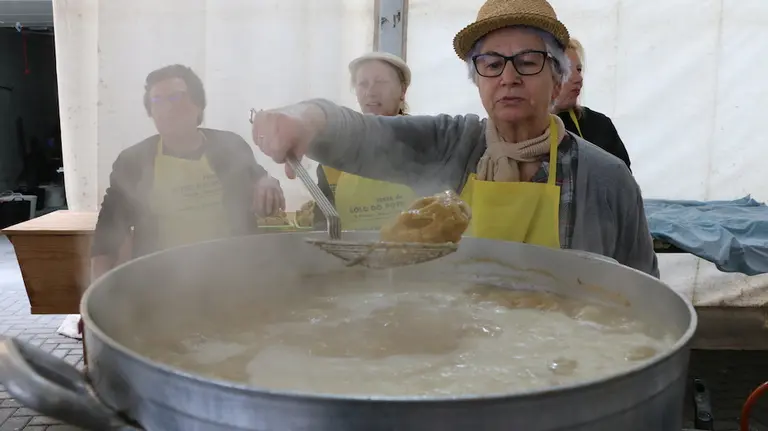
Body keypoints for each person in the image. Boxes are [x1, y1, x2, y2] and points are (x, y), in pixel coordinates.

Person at [250, 0, 658, 277]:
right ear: (477, 80)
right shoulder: (453, 144)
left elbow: (642, 296)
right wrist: (304, 119)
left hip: (560, 375)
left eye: (529, 62)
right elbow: (362, 136)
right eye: (492, 64)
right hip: (457, 357)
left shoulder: (606, 180)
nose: (509, 77)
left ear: (558, 79)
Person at [91, 64, 285, 280]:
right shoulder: (134, 161)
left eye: (176, 98)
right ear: (150, 112)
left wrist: (266, 181)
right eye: (157, 101)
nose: (166, 109)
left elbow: (256, 177)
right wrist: (97, 290)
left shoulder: (230, 146)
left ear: (198, 106)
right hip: (162, 279)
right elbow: (108, 232)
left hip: (235, 273)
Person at [314, 52, 417, 229]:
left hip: (418, 254)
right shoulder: (334, 156)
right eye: (363, 84)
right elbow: (322, 224)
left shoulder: (426, 144)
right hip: (352, 255)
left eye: (381, 82)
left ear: (403, 91)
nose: (371, 92)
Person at [553, 38, 632, 170]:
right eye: (565, 70)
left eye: (578, 70)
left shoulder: (600, 126)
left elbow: (624, 184)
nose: (579, 78)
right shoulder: (523, 128)